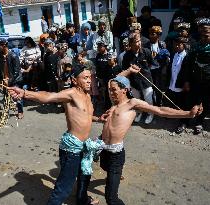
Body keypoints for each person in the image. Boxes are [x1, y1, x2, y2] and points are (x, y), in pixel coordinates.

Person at [8, 64, 140, 205]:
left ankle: (82, 200)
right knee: (64, 187)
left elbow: (85, 116)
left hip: (83, 145)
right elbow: (49, 96)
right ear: (74, 80)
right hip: (71, 147)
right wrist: (25, 93)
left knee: (85, 174)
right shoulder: (71, 93)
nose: (89, 81)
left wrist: (98, 119)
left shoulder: (87, 95)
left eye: (90, 77)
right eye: (85, 78)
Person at [97, 75, 203, 205]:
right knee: (104, 166)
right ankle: (116, 175)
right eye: (110, 90)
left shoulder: (132, 103)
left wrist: (187, 114)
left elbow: (159, 110)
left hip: (115, 154)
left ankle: (115, 176)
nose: (110, 93)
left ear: (124, 90)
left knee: (111, 199)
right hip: (103, 148)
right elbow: (110, 81)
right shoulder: (114, 104)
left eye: (113, 90)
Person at [176, 17, 210, 134]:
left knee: (205, 102)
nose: (203, 37)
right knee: (189, 102)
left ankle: (199, 122)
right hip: (194, 80)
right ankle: (184, 121)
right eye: (201, 33)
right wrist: (186, 81)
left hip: (207, 82)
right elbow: (187, 65)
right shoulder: (195, 46)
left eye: (207, 34)